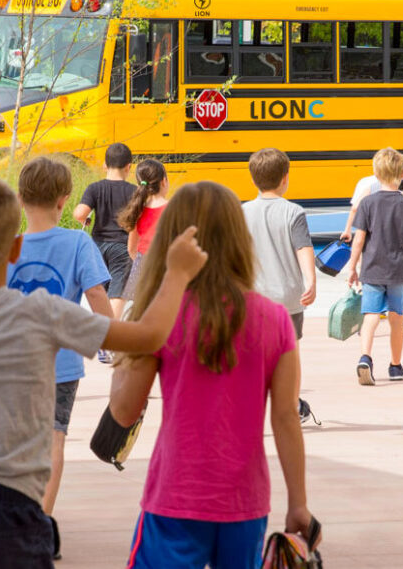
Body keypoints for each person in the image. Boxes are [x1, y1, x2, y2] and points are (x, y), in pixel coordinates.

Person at [0, 176, 208, 568]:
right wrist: (175, 274)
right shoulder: (41, 313)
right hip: (15, 510)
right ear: (15, 247)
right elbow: (147, 336)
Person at [109, 182, 318, 568]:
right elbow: (287, 416)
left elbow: (123, 410)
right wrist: (298, 503)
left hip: (176, 496)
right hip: (245, 502)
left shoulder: (162, 316)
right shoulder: (274, 319)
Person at [9, 157, 114, 560]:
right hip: (61, 365)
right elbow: (97, 296)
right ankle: (38, 526)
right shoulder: (77, 243)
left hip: (14, 366)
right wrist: (116, 341)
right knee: (53, 441)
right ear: (64, 200)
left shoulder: (8, 247)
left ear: (20, 199)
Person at [241, 148, 317, 421]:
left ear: (253, 180)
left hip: (253, 299)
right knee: (289, 353)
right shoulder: (293, 212)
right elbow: (303, 248)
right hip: (288, 298)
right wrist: (311, 281)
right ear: (286, 178)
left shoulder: (243, 211)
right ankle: (292, 405)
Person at [341, 149, 403, 385]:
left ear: (375, 173)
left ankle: (365, 357)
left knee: (370, 314)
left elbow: (359, 239)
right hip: (399, 270)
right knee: (396, 317)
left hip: (372, 268)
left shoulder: (367, 203)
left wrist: (352, 267)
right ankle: (396, 366)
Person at [74, 143, 137, 318]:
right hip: (122, 248)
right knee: (117, 294)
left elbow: (79, 213)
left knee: (100, 292)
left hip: (97, 247)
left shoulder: (94, 188)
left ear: (104, 165)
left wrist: (86, 219)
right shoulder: (134, 191)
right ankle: (112, 332)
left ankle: (99, 329)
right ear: (128, 167)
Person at [117, 158, 169, 304]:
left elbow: (132, 248)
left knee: (142, 312)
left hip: (142, 265)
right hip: (167, 265)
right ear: (163, 181)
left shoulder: (137, 209)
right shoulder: (173, 208)